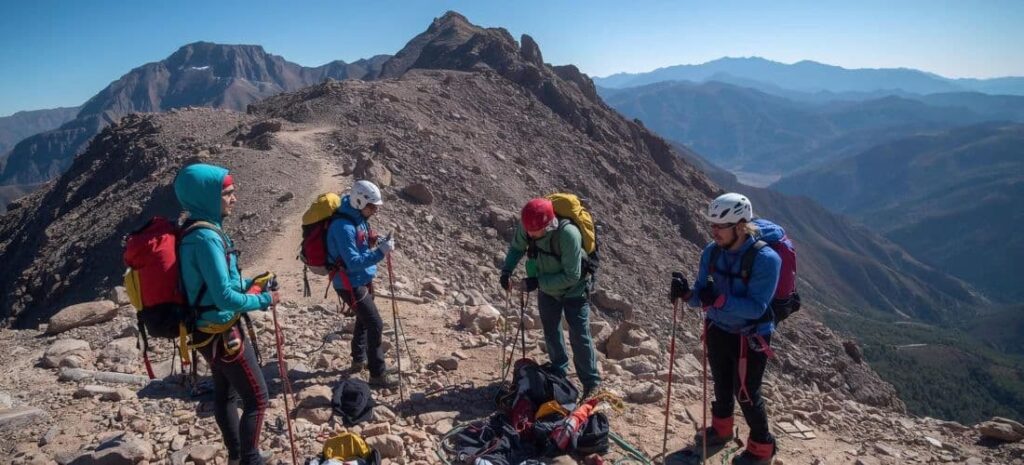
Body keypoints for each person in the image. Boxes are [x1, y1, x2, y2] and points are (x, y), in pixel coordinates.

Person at [175, 163, 279, 465]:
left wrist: (251, 284)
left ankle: (237, 456)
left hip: (205, 330)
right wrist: (264, 300)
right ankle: (250, 459)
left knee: (225, 393)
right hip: (222, 330)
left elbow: (221, 285)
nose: (234, 198)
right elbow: (224, 298)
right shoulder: (207, 238)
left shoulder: (196, 229)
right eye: (227, 193)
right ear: (208, 197)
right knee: (258, 399)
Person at [670, 192, 781, 465]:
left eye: (721, 226)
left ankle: (761, 447)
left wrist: (717, 300)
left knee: (745, 392)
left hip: (750, 336)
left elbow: (757, 307)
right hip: (718, 328)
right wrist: (686, 294)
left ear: (741, 226)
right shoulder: (711, 252)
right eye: (713, 225)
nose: (714, 231)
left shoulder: (766, 259)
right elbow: (700, 295)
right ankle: (721, 429)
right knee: (721, 381)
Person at [500, 197, 601, 399]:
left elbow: (572, 275)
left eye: (533, 231)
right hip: (548, 287)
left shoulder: (568, 235)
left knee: (579, 335)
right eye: (527, 229)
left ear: (548, 225)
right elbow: (518, 247)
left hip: (576, 289)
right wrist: (506, 270)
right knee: (550, 329)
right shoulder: (529, 224)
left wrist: (538, 283)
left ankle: (591, 384)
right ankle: (558, 371)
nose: (529, 234)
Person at [326, 180, 398, 388]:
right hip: (349, 282)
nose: (375, 210)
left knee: (364, 319)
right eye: (372, 206)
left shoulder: (356, 217)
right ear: (359, 201)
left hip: (361, 279)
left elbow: (358, 248)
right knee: (374, 323)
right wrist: (381, 252)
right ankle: (377, 374)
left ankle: (359, 359)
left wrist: (372, 241)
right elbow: (353, 263)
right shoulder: (343, 226)